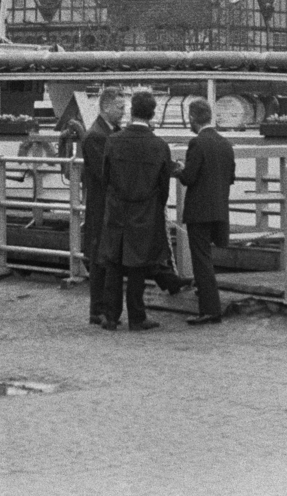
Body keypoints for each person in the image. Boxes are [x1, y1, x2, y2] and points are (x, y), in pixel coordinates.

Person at [95, 90, 173, 332]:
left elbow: (104, 178)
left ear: (131, 111)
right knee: (138, 267)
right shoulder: (159, 145)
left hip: (117, 210)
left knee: (114, 265)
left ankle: (110, 316)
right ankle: (137, 317)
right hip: (145, 212)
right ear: (152, 113)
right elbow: (164, 187)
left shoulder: (113, 141)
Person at [176, 98, 236, 325]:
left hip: (199, 211)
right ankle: (206, 296)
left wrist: (181, 169)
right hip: (220, 208)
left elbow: (189, 178)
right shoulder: (225, 143)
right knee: (208, 259)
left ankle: (210, 309)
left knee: (201, 260)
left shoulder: (197, 143)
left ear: (192, 117)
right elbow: (230, 177)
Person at [80, 86, 126, 325]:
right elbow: (103, 174)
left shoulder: (107, 133)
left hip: (108, 205)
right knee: (100, 257)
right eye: (119, 108)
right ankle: (97, 308)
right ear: (106, 107)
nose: (123, 112)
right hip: (102, 206)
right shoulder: (96, 137)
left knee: (103, 255)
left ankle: (101, 307)